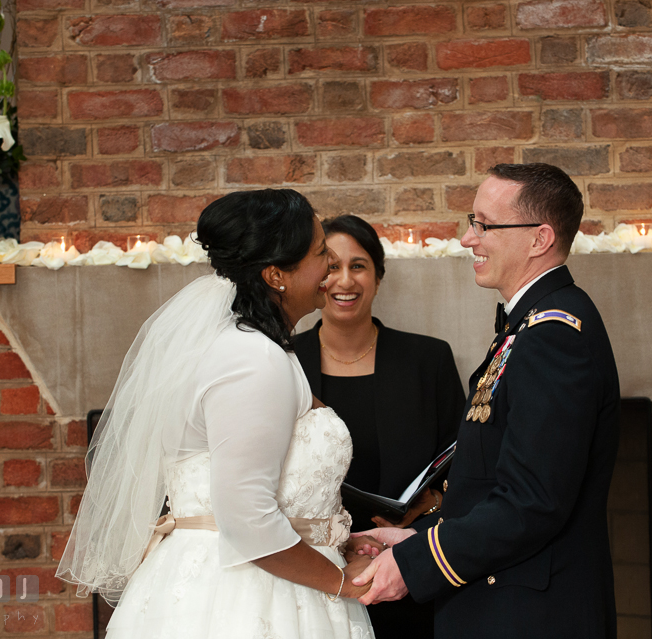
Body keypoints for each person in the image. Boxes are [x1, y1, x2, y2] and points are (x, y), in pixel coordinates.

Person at [57, 189, 378, 638]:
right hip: (245, 595)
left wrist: (330, 534)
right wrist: (345, 584)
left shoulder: (254, 349)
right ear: (275, 275)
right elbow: (245, 515)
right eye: (320, 252)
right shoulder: (252, 359)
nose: (330, 264)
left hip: (271, 574)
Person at [352, 163, 621, 639]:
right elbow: (492, 479)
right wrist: (417, 536)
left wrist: (416, 563)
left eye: (484, 225)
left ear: (539, 239)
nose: (467, 238)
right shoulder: (528, 326)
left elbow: (532, 502)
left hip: (529, 615)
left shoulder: (554, 336)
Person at [294, 215, 465, 639]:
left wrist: (426, 514)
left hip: (406, 563)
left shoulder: (428, 359)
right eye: (331, 266)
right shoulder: (282, 360)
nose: (344, 281)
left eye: (359, 265)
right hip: (313, 570)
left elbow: (464, 460)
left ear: (378, 275)